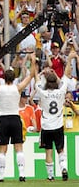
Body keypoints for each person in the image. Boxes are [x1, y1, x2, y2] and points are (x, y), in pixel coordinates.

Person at [0, 52, 36, 182]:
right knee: (19, 148)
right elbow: (31, 76)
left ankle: (1, 176)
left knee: (2, 149)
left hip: (4, 119)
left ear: (4, 78)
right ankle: (22, 174)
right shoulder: (18, 88)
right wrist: (33, 62)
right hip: (16, 118)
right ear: (14, 77)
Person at [34, 51, 75, 181]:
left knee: (48, 151)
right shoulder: (61, 91)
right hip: (58, 125)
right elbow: (64, 80)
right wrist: (57, 72)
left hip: (46, 126)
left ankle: (50, 176)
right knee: (60, 150)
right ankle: (63, 168)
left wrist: (41, 74)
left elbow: (36, 82)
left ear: (46, 81)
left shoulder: (43, 93)